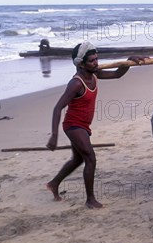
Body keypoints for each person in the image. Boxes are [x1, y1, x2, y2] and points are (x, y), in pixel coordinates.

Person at [46, 42, 147, 208]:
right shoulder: (76, 84)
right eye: (92, 61)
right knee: (90, 159)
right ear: (81, 64)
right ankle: (90, 200)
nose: (96, 63)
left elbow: (117, 74)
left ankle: (54, 183)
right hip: (73, 125)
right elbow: (58, 108)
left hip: (84, 125)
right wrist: (54, 136)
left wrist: (128, 61)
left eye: (97, 59)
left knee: (78, 159)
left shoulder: (94, 74)